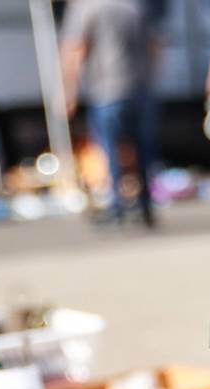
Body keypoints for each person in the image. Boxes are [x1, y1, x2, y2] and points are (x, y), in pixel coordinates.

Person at [64, 0, 166, 229]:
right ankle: (146, 207)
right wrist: (151, 80)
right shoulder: (135, 7)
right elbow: (155, 44)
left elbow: (77, 49)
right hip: (140, 89)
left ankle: (117, 209)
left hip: (106, 91)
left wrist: (69, 90)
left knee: (110, 152)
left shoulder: (85, 10)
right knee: (143, 151)